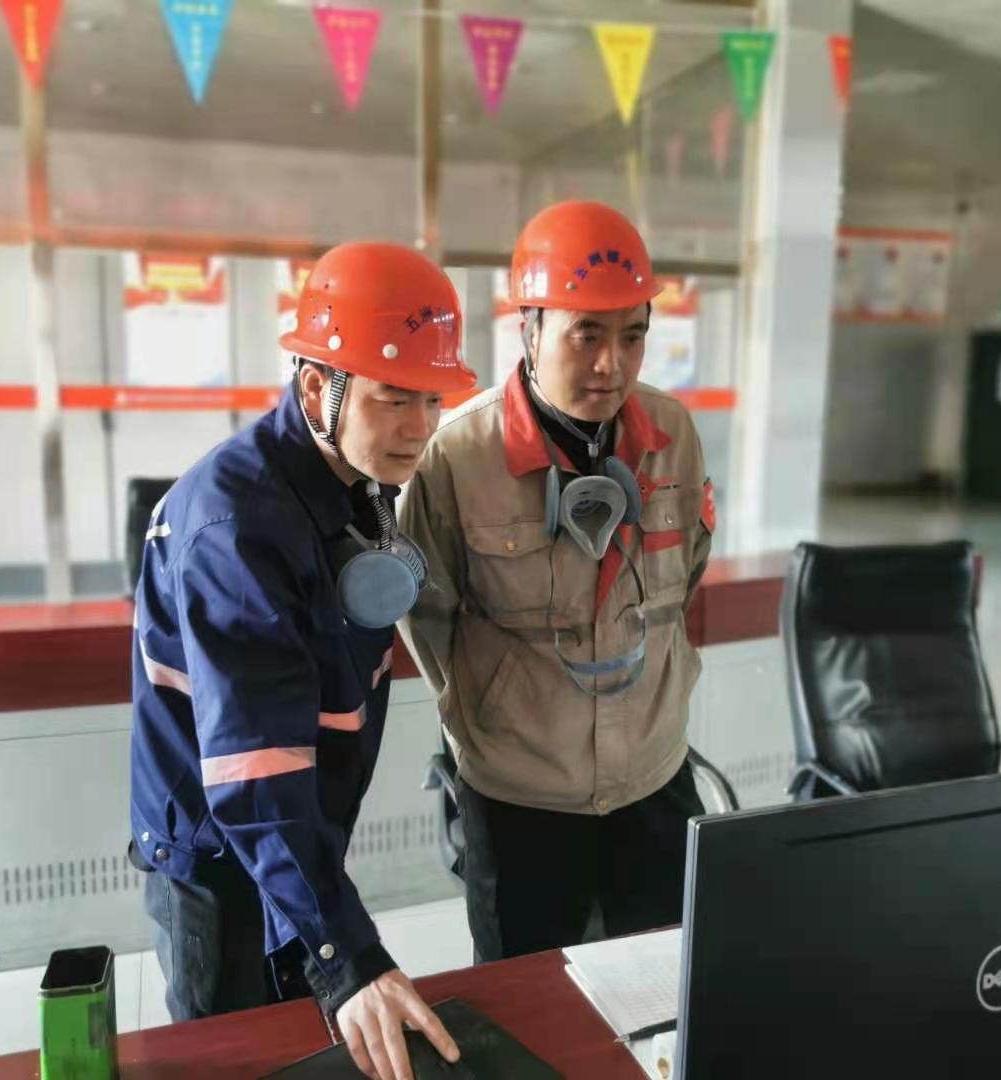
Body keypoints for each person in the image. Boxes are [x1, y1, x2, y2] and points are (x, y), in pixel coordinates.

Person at [130, 242, 476, 1080]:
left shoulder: (357, 478)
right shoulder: (239, 529)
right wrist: (345, 955)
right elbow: (255, 778)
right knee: (237, 1059)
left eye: (432, 399)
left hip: (298, 834)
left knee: (309, 1045)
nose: (422, 427)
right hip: (223, 856)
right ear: (319, 388)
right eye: (395, 397)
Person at [399, 201, 717, 963]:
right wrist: (491, 712)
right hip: (519, 795)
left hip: (652, 777)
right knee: (524, 1003)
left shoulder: (672, 435)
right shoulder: (456, 457)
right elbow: (428, 618)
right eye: (587, 335)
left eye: (633, 336)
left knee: (661, 988)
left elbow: (688, 577)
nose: (612, 364)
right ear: (530, 329)